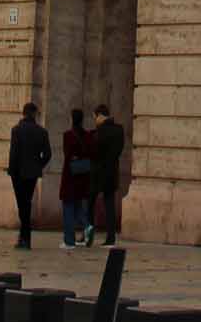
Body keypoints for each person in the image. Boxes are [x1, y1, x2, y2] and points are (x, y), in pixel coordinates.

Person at [7, 101, 52, 250]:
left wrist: (11, 170)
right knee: (27, 202)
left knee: (22, 204)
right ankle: (25, 236)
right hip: (32, 173)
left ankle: (25, 236)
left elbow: (13, 154)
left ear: (23, 113)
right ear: (34, 114)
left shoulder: (16, 130)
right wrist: (38, 165)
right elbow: (48, 154)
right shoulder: (42, 132)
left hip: (18, 173)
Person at [59, 107, 95, 251]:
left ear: (72, 119)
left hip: (70, 176)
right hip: (83, 175)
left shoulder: (68, 135)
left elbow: (67, 155)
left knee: (68, 208)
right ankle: (87, 225)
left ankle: (69, 241)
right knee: (79, 205)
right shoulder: (88, 135)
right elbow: (92, 153)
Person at [91, 104, 125, 247]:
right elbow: (119, 150)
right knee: (109, 205)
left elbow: (95, 150)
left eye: (94, 117)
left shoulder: (99, 132)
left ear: (99, 116)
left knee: (89, 205)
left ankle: (87, 236)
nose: (94, 121)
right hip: (111, 172)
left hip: (97, 172)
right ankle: (111, 238)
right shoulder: (119, 130)